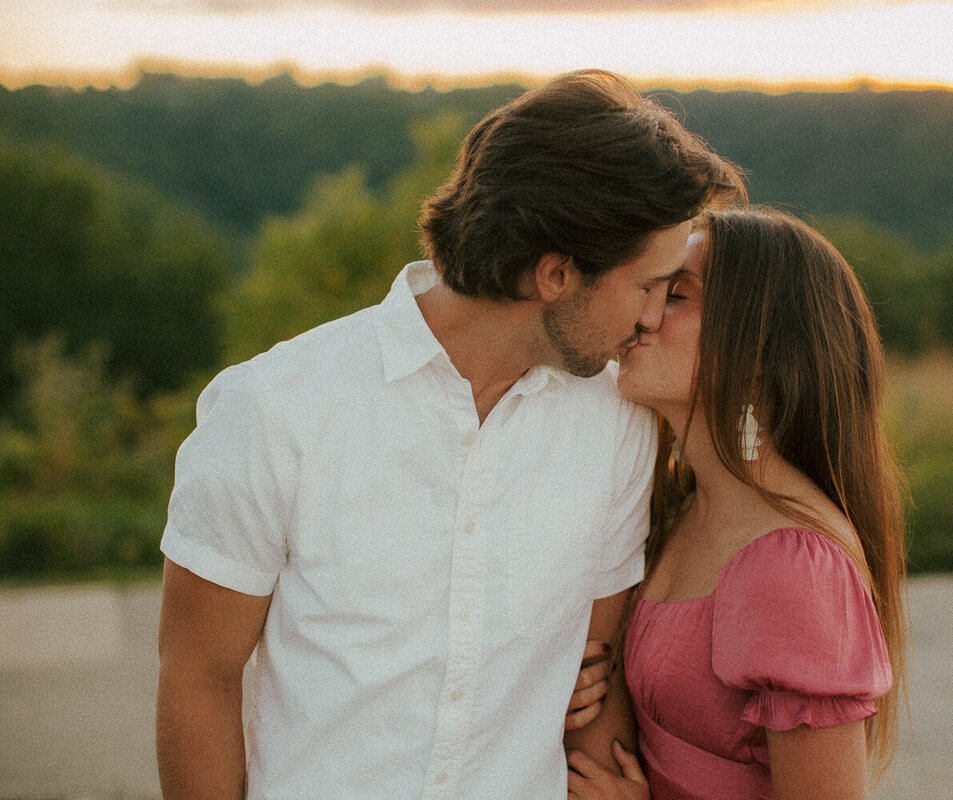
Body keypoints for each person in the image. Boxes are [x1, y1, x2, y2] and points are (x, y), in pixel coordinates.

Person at [155, 69, 743, 800]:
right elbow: (198, 676)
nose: (654, 317)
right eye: (648, 285)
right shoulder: (274, 409)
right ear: (557, 273)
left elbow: (595, 669)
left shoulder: (616, 420)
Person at [565, 206, 908, 799]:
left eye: (676, 296)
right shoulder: (674, 514)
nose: (640, 317)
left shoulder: (793, 566)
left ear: (755, 349)